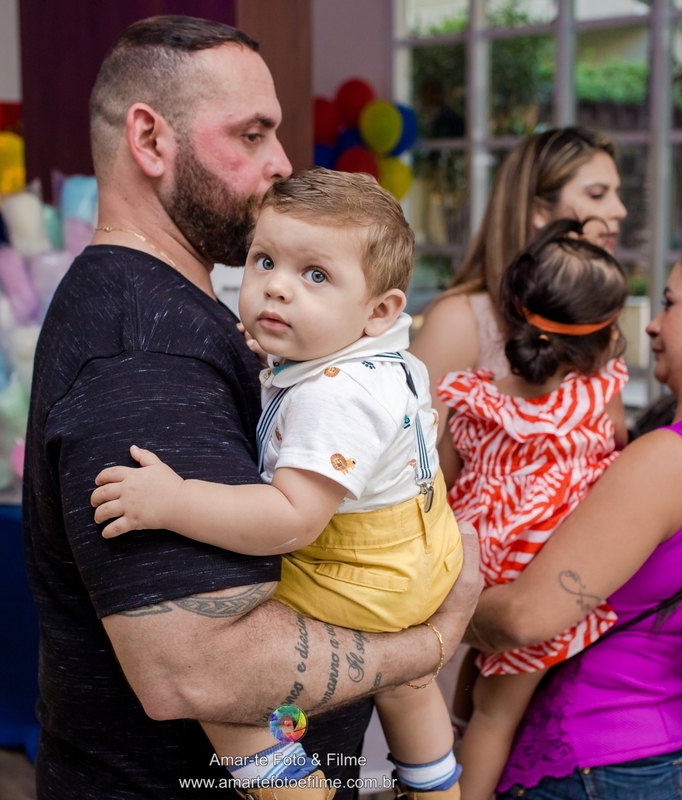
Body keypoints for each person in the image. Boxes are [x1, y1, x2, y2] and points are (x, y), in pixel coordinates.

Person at [22, 16, 479, 800]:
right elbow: (194, 669)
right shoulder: (146, 350)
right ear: (151, 140)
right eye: (253, 134)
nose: (281, 163)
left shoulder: (195, 319)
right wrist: (426, 647)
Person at [91, 169, 465, 799]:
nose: (277, 287)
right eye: (264, 261)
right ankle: (437, 787)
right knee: (409, 683)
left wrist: (174, 501)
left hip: (362, 573)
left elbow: (292, 518)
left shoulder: (335, 396)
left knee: (216, 665)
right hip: (422, 552)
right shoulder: (377, 358)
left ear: (379, 311)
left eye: (315, 275)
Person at [460, 228, 682, 799]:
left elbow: (526, 618)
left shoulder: (670, 460)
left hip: (601, 759)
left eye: (670, 303)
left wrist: (429, 612)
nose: (651, 325)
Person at [433, 220, 630, 799]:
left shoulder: (475, 397)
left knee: (475, 670)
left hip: (474, 559)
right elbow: (618, 451)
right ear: (602, 339)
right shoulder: (598, 396)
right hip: (536, 568)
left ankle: (449, 746)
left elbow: (442, 478)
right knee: (499, 714)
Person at [410, 127, 629, 482]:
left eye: (617, 193)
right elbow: (412, 467)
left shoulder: (593, 316)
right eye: (597, 194)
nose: (619, 210)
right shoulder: (461, 318)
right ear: (538, 210)